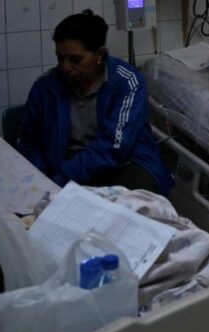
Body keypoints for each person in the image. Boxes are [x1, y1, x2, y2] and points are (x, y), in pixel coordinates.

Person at [17, 11, 173, 195]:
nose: (65, 67)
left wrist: (62, 177)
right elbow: (29, 141)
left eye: (76, 59)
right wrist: (43, 177)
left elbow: (114, 148)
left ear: (99, 54)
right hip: (67, 164)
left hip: (124, 164)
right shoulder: (46, 87)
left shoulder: (127, 83)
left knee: (132, 205)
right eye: (60, 58)